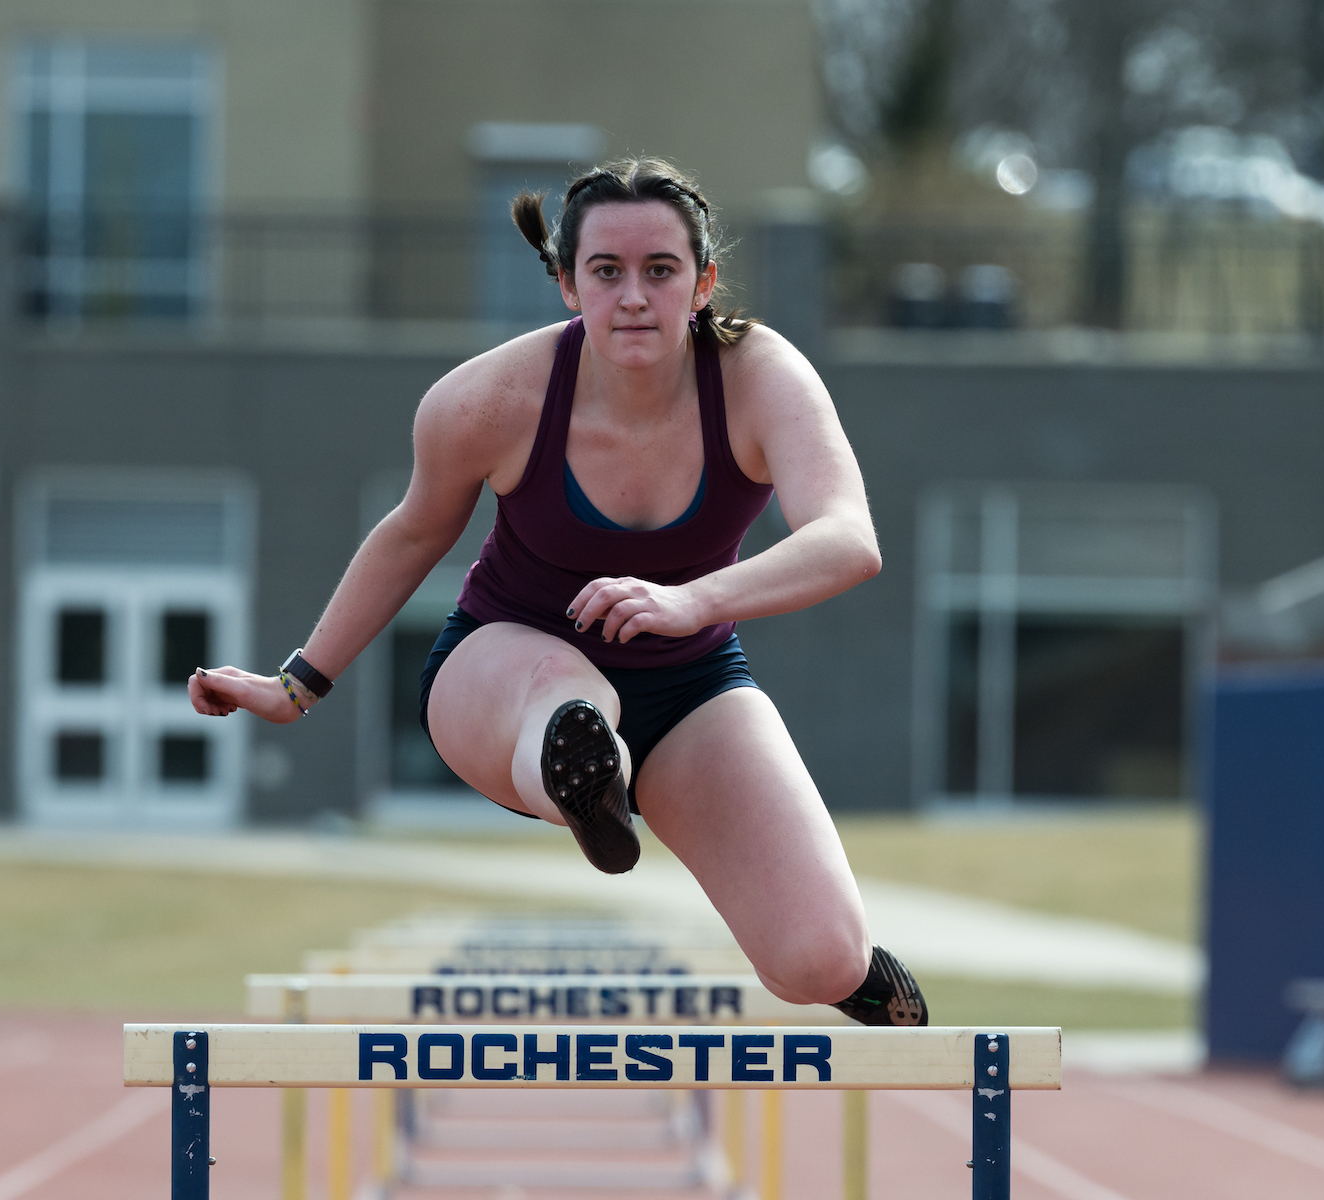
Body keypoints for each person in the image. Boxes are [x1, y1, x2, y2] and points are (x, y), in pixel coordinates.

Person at [189, 158, 926, 1026]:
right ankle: (586, 770)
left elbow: (848, 540)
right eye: (606, 273)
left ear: (703, 282)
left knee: (817, 960)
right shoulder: (489, 400)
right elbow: (412, 534)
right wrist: (296, 685)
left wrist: (692, 601)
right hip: (502, 672)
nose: (635, 298)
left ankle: (826, 949)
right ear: (568, 285)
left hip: (690, 685)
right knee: (571, 697)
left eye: (661, 270)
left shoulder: (761, 375)